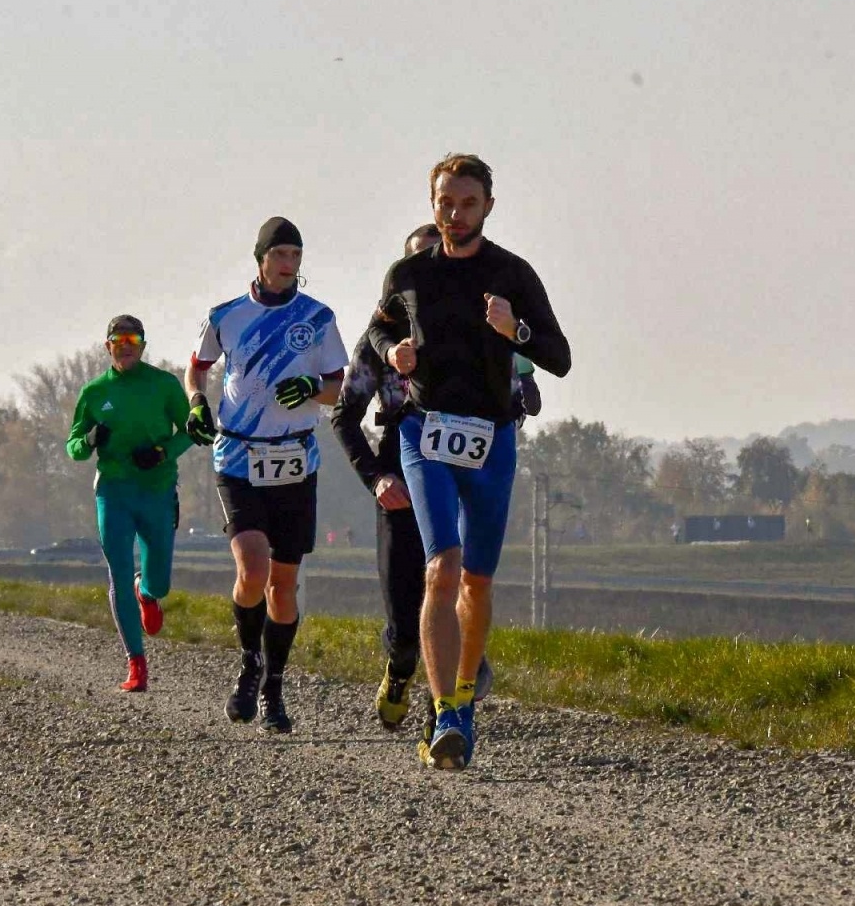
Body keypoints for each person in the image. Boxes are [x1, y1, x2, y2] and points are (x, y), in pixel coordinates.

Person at [367, 154, 571, 770]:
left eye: (467, 204)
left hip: (490, 439)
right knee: (441, 569)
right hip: (424, 435)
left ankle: (462, 700)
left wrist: (518, 332)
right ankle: (446, 713)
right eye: (444, 203)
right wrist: (393, 348)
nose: (454, 215)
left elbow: (559, 357)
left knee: (477, 581)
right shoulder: (407, 273)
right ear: (432, 203)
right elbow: (376, 332)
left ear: (488, 206)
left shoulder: (513, 273)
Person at [329, 224, 498, 747]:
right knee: (405, 624)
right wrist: (375, 479)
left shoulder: (474, 328)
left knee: (456, 585)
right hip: (402, 477)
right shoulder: (378, 341)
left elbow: (511, 385)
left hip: (465, 471)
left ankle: (441, 718)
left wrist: (521, 393)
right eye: (423, 258)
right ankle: (400, 669)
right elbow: (343, 415)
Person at [185, 217, 348, 734]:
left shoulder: (318, 318)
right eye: (279, 254)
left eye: (296, 256)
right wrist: (196, 402)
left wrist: (311, 387)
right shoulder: (226, 315)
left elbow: (337, 386)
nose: (288, 265)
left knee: (283, 585)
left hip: (296, 459)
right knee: (252, 568)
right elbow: (198, 366)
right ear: (260, 258)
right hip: (238, 456)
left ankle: (275, 682)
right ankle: (248, 663)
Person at [66, 315, 192, 691]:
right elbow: (73, 449)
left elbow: (192, 431)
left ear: (142, 345)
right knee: (117, 572)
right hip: (114, 491)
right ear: (107, 347)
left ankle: (147, 592)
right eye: (118, 340)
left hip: (157, 491)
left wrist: (162, 453)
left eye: (133, 339)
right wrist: (88, 439)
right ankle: (135, 663)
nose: (126, 345)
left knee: (160, 581)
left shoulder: (164, 384)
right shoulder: (93, 392)